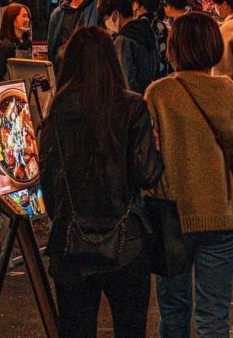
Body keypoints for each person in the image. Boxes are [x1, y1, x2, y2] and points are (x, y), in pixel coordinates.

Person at [145, 13, 233, 338]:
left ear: (172, 49)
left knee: (173, 314)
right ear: (214, 47)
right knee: (214, 317)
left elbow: (146, 161)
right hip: (222, 217)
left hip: (171, 219)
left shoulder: (157, 94)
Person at [39, 27, 163, 338]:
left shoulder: (57, 110)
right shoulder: (133, 107)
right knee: (130, 328)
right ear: (112, 61)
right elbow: (147, 173)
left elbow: (48, 183)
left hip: (70, 242)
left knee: (75, 329)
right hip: (127, 243)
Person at [47, 0, 99, 71]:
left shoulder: (97, 7)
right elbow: (52, 46)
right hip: (64, 68)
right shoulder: (57, 13)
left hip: (89, 68)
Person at [109, 0, 159, 95]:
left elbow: (126, 78)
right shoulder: (147, 29)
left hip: (133, 102)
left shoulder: (123, 39)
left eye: (106, 18)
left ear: (115, 14)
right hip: (150, 95)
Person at [129, 0, 169, 79]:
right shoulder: (162, 26)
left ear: (136, 4)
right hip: (160, 81)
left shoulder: (134, 27)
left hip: (141, 84)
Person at [0, 3, 32, 83]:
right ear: (12, 18)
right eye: (24, 16)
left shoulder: (27, 44)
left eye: (28, 17)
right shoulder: (4, 47)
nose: (27, 20)